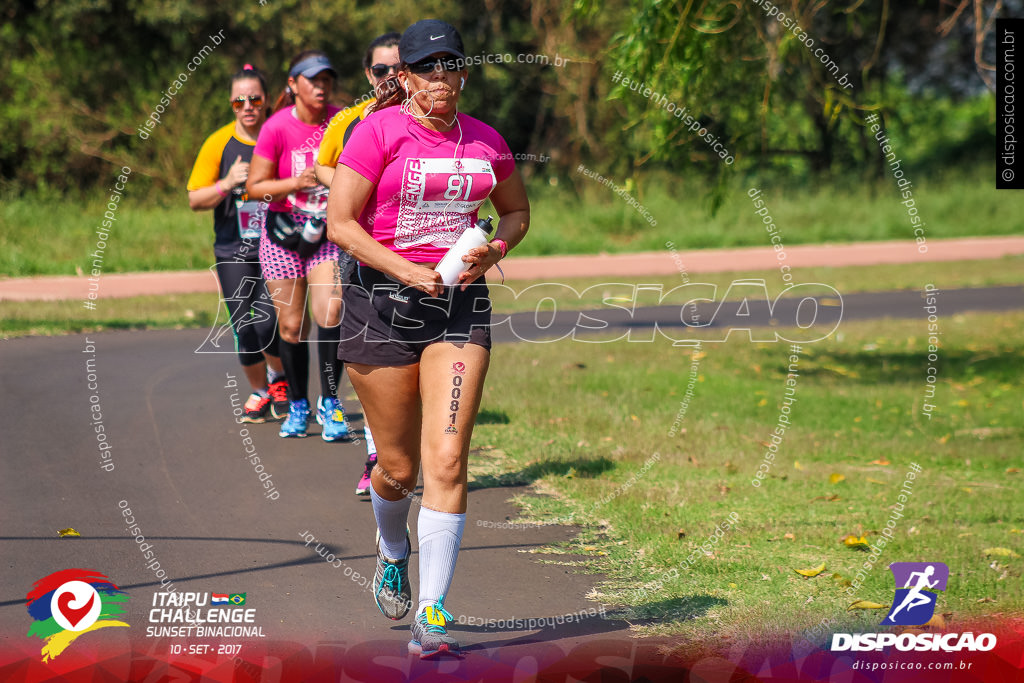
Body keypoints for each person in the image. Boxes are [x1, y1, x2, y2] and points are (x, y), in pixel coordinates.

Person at [326, 19, 530, 658]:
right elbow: (340, 223)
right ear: (405, 77)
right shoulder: (377, 133)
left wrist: (494, 245)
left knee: (447, 459)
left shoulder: (487, 141)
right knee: (399, 469)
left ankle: (431, 614)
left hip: (457, 310)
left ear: (463, 73)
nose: (440, 77)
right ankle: (391, 546)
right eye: (427, 67)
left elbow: (517, 212)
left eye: (450, 66)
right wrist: (406, 268)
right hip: (381, 308)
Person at [247, 51, 350, 440]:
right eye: (312, 80)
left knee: (332, 311)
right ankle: (298, 405)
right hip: (283, 236)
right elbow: (254, 187)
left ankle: (330, 402)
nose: (321, 87)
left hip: (325, 233)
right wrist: (296, 183)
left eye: (326, 80)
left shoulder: (341, 121)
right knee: (291, 327)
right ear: (293, 85)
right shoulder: (276, 128)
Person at [314, 32, 400, 495]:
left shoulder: (431, 120)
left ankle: (406, 451)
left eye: (398, 68)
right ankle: (376, 456)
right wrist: (356, 182)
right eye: (380, 70)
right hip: (362, 255)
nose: (390, 78)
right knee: (373, 362)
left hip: (422, 260)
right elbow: (322, 169)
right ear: (369, 75)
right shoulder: (352, 122)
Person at [187, 64, 287, 423]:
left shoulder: (280, 135)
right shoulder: (219, 143)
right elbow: (195, 199)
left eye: (255, 98)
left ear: (265, 101)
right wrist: (226, 182)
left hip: (278, 245)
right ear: (231, 104)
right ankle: (261, 390)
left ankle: (279, 378)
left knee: (268, 322)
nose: (247, 106)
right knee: (244, 327)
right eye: (238, 101)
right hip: (233, 249)